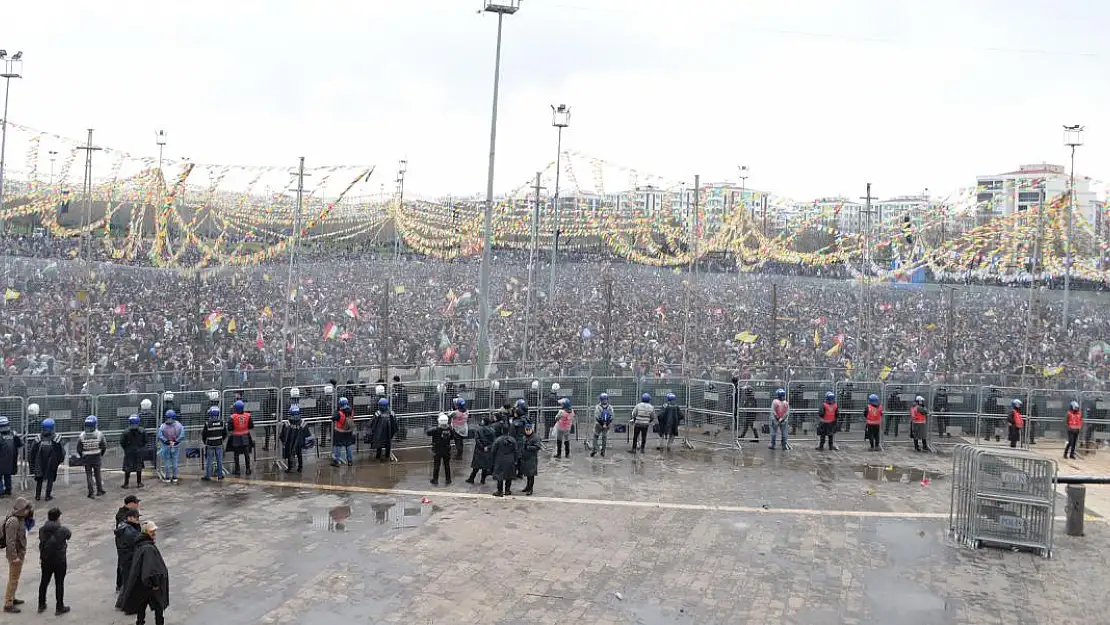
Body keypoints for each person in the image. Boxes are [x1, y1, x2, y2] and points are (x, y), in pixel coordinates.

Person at [120, 521, 169, 625]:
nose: (154, 534)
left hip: (141, 584)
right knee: (158, 607)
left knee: (141, 607)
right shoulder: (148, 548)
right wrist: (155, 584)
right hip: (150, 584)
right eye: (152, 532)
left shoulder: (140, 545)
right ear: (147, 533)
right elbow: (151, 569)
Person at [36, 507, 70, 615]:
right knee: (59, 583)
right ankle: (59, 607)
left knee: (44, 581)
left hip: (46, 559)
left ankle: (41, 604)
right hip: (60, 560)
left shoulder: (42, 529)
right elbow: (69, 535)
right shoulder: (63, 530)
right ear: (58, 517)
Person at [3, 497, 33, 613]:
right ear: (21, 509)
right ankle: (8, 603)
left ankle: (12, 597)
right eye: (26, 509)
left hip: (19, 554)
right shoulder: (14, 521)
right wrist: (14, 557)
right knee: (13, 579)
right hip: (15, 556)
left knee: (15, 578)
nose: (27, 511)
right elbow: (10, 542)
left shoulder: (20, 518)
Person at [29, 419, 64, 502]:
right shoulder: (56, 438)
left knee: (39, 479)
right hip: (52, 462)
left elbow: (32, 451)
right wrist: (59, 460)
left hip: (39, 463)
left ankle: (37, 496)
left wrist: (32, 463)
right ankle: (47, 496)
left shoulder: (38, 438)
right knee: (50, 479)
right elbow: (60, 451)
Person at [114, 507, 141, 607]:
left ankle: (122, 603)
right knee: (128, 582)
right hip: (128, 558)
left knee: (127, 582)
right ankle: (126, 604)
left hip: (124, 558)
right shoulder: (128, 531)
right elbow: (136, 541)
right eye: (136, 517)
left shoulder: (124, 527)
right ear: (130, 518)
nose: (138, 519)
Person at [77, 415, 108, 499]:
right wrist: (101, 454)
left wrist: (82, 455)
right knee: (98, 474)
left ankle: (91, 493)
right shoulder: (99, 434)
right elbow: (104, 446)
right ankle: (99, 490)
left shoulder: (82, 435)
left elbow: (79, 448)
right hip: (97, 456)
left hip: (86, 457)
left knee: (89, 475)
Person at [489, 423, 520, 497]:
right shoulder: (513, 440)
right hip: (510, 460)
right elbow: (516, 451)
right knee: (509, 476)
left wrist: (492, 460)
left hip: (500, 460)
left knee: (500, 476)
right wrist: (516, 460)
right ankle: (507, 490)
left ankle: (500, 491)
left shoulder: (498, 440)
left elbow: (493, 451)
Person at [465, 415, 495, 485]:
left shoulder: (479, 430)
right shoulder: (492, 430)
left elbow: (477, 439)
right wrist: (488, 447)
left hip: (479, 450)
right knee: (485, 466)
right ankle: (482, 480)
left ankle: (471, 478)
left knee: (476, 466)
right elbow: (493, 441)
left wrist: (482, 446)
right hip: (487, 450)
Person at [279, 405, 309, 473]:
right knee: (299, 454)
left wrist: (284, 441)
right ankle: (300, 468)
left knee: (290, 454)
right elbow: (307, 434)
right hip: (299, 443)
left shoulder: (287, 423)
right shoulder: (303, 423)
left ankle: (290, 468)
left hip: (290, 443)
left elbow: (282, 435)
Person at [156, 410, 184, 484]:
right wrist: (176, 441)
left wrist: (166, 441)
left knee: (167, 462)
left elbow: (160, 435)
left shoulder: (163, 426)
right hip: (175, 446)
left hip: (166, 446)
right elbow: (182, 435)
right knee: (175, 461)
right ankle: (175, 477)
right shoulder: (178, 425)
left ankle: (167, 477)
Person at [228, 400, 254, 476]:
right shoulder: (248, 415)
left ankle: (237, 470)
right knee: (246, 454)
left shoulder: (233, 417)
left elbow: (229, 428)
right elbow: (251, 426)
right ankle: (248, 469)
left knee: (236, 455)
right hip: (245, 436)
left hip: (236, 437)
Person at [120, 414, 146, 489]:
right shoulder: (142, 431)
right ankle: (139, 483)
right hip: (139, 451)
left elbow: (122, 442)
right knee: (138, 467)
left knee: (128, 467)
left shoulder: (126, 432)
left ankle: (126, 484)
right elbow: (145, 441)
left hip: (129, 451)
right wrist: (141, 448)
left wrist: (126, 449)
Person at [200, 407, 227, 481]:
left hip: (210, 444)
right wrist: (221, 439)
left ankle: (208, 476)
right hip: (219, 443)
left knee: (209, 461)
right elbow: (225, 433)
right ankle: (220, 476)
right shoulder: (222, 423)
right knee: (219, 460)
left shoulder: (207, 424)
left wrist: (205, 442)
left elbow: (204, 435)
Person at [427, 413, 453, 486]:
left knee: (437, 465)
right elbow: (452, 437)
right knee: (447, 465)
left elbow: (428, 432)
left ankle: (435, 479)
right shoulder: (450, 428)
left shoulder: (436, 430)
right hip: (447, 449)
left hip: (437, 450)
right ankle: (448, 479)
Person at [0, 416, 21, 498]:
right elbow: (19, 444)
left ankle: (1, 492)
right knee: (7, 475)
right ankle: (8, 490)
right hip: (11, 460)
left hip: (1, 459)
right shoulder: (13, 433)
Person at [331, 397, 355, 467]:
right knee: (348, 446)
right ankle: (350, 461)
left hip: (340, 432)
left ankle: (336, 461)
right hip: (349, 431)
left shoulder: (338, 413)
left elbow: (333, 418)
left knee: (338, 446)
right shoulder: (351, 411)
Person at [519, 422, 541, 496]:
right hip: (525, 458)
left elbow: (537, 447)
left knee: (531, 475)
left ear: (531, 429)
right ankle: (527, 487)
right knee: (527, 474)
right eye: (526, 429)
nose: (527, 431)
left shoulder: (535, 437)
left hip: (532, 458)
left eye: (529, 429)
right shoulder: (524, 437)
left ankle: (530, 489)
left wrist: (528, 447)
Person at [591, 393, 613, 457]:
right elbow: (612, 416)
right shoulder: (610, 407)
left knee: (595, 436)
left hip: (598, 424)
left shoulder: (598, 407)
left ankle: (594, 449)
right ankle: (603, 451)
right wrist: (606, 423)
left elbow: (596, 416)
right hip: (607, 425)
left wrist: (602, 423)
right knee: (604, 437)